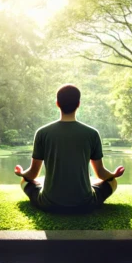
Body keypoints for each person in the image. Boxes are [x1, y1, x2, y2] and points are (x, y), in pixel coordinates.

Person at [15, 84, 124, 212]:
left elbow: (32, 174)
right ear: (78, 104)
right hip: (85, 204)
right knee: (112, 182)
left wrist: (21, 173)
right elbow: (101, 173)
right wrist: (114, 174)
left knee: (25, 181)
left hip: (49, 203)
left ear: (57, 103)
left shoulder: (42, 133)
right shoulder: (92, 133)